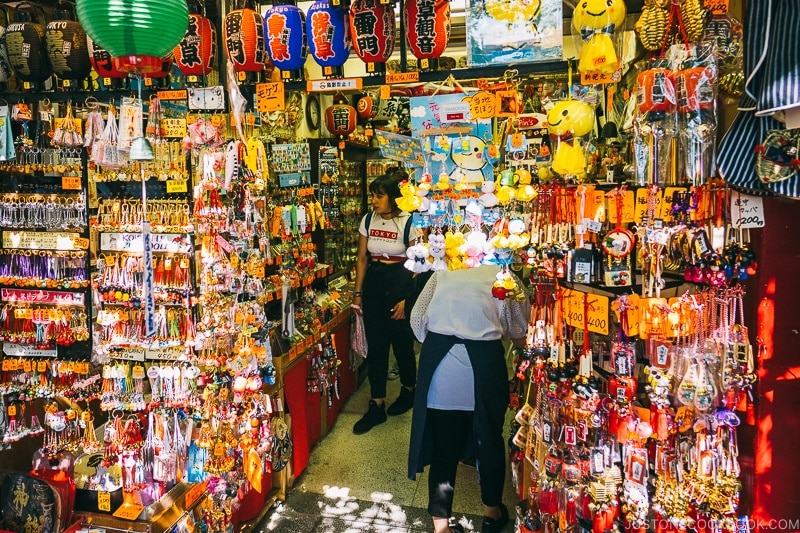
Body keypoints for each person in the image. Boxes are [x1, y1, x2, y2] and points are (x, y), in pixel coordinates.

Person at [408, 264, 530, 533]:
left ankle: (441, 527)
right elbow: (520, 328)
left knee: (444, 447)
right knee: (489, 440)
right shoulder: (503, 275)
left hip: (442, 367)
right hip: (484, 366)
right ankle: (491, 513)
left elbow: (417, 320)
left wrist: (445, 335)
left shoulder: (443, 270)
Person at [352, 167, 421, 435]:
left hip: (400, 282)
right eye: (373, 196)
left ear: (392, 197)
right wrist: (358, 294)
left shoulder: (408, 222)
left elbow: (420, 263)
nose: (374, 201)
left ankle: (408, 390)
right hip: (374, 283)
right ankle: (376, 404)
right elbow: (362, 259)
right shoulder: (368, 220)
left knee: (402, 343)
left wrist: (408, 299)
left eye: (379, 196)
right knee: (377, 345)